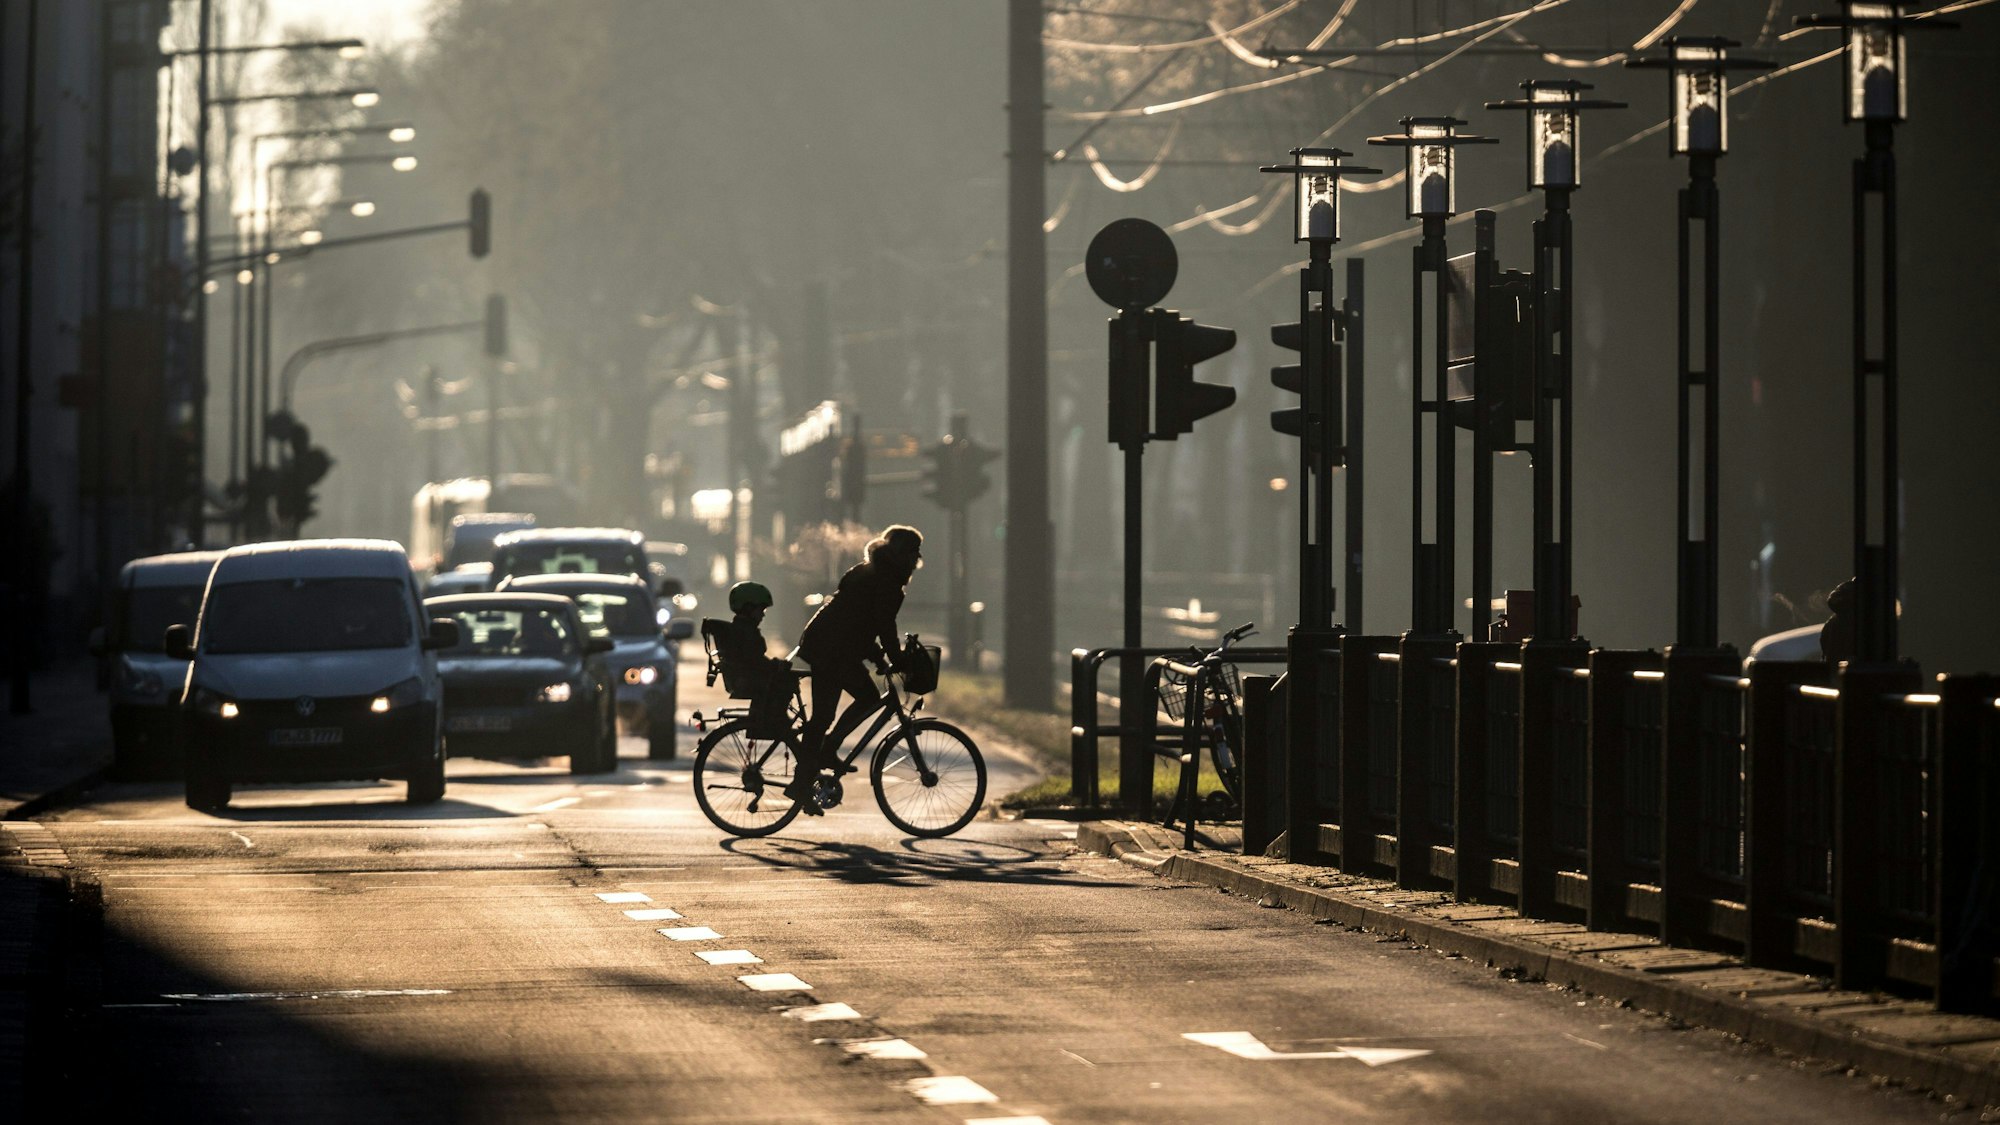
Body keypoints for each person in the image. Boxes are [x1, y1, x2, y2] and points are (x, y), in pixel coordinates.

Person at [786, 525, 923, 812]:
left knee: (824, 716)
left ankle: (808, 776)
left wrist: (879, 658)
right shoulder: (887, 581)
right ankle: (815, 766)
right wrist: (896, 658)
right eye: (913, 552)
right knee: (857, 703)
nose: (917, 558)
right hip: (831, 649)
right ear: (902, 554)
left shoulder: (873, 571)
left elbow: (861, 622)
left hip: (831, 645)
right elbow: (883, 625)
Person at [717, 580, 791, 688]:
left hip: (743, 680)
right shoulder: (745, 633)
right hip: (751, 681)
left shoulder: (736, 630)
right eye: (761, 610)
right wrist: (777, 665)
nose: (763, 615)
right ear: (748, 608)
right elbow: (754, 661)